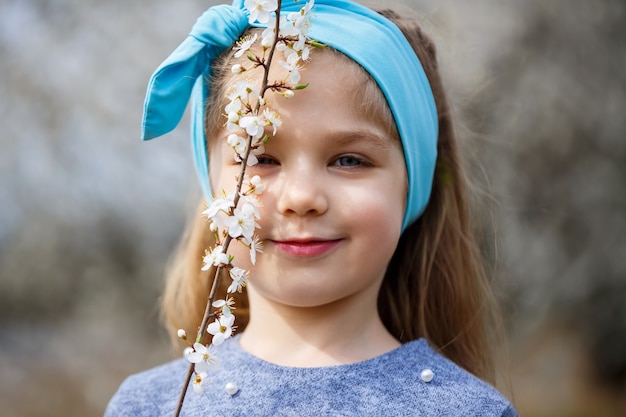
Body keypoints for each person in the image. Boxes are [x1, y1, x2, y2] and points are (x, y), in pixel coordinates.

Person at [106, 0, 518, 415]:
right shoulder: (149, 406)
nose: (302, 198)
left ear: (411, 185)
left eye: (349, 160)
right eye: (262, 159)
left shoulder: (468, 410)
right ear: (211, 184)